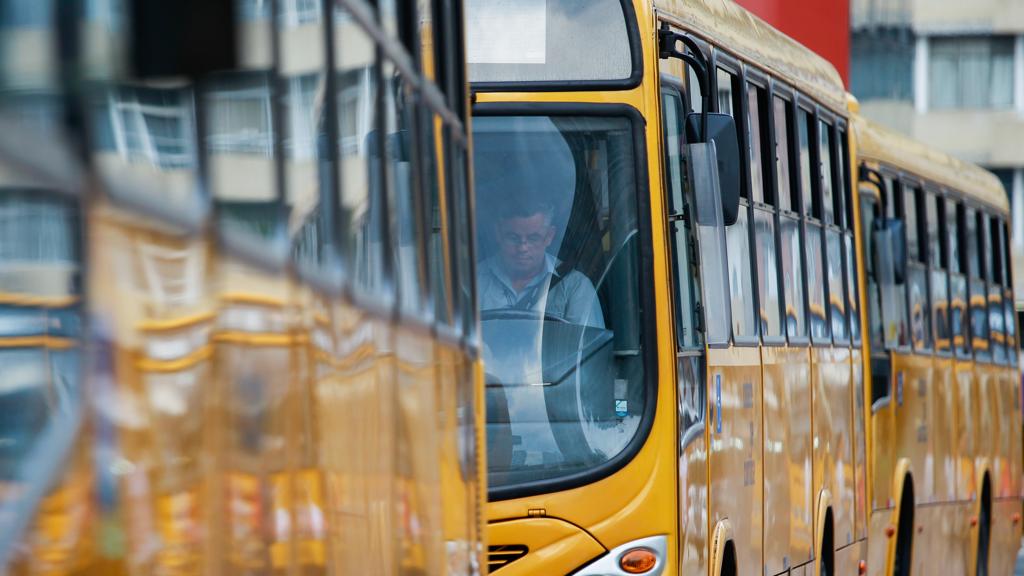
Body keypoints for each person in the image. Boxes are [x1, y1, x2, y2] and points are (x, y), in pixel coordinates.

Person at [477, 199, 605, 328]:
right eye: (513, 238)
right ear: (498, 234)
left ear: (549, 236)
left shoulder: (575, 287)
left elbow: (586, 339)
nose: (522, 248)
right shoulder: (473, 282)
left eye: (533, 238)